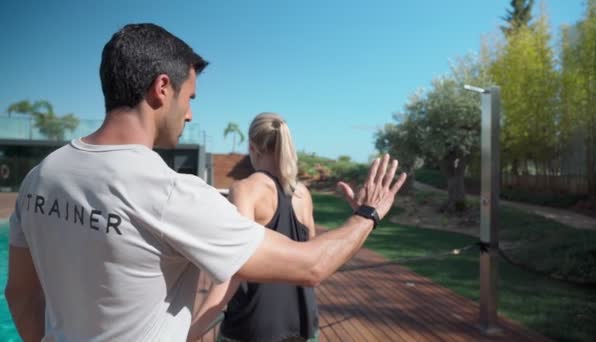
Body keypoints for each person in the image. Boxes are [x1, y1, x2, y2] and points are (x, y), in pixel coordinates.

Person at [5, 23, 407, 342]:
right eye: (190, 97)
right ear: (162, 88)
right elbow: (311, 266)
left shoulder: (42, 176)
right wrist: (368, 214)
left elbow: (20, 296)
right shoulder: (169, 193)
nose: (191, 115)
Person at [191, 112, 320, 342]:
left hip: (252, 328)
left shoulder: (245, 190)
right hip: (304, 325)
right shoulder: (304, 194)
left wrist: (194, 330)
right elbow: (309, 257)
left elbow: (234, 268)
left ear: (252, 146)